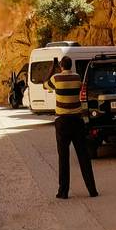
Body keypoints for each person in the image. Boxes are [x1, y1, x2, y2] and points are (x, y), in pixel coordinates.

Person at [45, 57, 98, 199]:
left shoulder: (56, 78)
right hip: (77, 121)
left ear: (61, 66)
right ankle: (92, 190)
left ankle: (63, 192)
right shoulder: (77, 77)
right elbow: (81, 89)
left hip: (62, 122)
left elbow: (45, 84)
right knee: (83, 156)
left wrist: (52, 68)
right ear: (71, 65)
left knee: (63, 157)